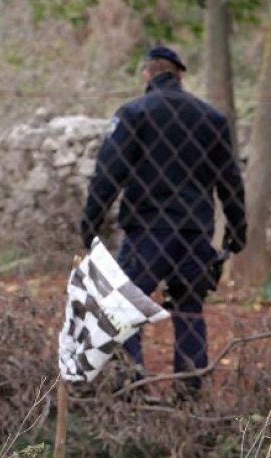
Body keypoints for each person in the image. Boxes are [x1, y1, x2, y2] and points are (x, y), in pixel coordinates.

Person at [79, 45, 246, 396]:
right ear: (179, 75)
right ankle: (190, 391)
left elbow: (108, 174)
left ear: (147, 74)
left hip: (147, 230)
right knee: (189, 310)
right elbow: (230, 179)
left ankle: (131, 387)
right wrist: (236, 230)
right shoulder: (211, 119)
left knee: (124, 309)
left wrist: (90, 223)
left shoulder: (135, 114)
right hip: (195, 232)